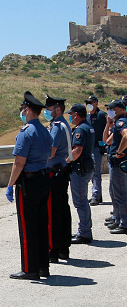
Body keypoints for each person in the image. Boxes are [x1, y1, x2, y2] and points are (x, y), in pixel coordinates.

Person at [5, 92, 52, 280]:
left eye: (23, 109)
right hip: (43, 178)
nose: (22, 112)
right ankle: (42, 266)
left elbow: (19, 163)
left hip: (29, 183)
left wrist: (10, 184)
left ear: (28, 110)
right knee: (41, 225)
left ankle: (29, 268)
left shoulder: (26, 132)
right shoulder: (44, 131)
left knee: (27, 227)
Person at [43, 94, 72, 263]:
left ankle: (53, 250)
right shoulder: (63, 124)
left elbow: (50, 152)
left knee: (53, 213)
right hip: (62, 170)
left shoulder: (56, 126)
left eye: (49, 109)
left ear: (57, 109)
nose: (47, 111)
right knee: (62, 210)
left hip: (55, 172)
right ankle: (63, 248)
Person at [66, 104, 95, 244]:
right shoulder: (88, 127)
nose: (71, 117)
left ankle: (84, 233)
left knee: (80, 202)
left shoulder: (80, 129)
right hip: (86, 167)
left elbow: (77, 151)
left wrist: (65, 162)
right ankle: (85, 230)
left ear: (76, 114)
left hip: (79, 169)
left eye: (71, 114)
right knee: (82, 200)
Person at [102, 99, 127, 234]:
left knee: (121, 194)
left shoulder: (122, 122)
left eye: (113, 108)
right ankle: (118, 218)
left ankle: (124, 223)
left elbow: (126, 137)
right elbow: (106, 141)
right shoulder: (117, 123)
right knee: (116, 192)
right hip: (114, 163)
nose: (110, 111)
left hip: (119, 162)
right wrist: (108, 125)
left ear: (122, 110)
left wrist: (119, 151)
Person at [85, 95, 107, 206]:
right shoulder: (88, 116)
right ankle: (97, 195)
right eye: (87, 102)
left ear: (96, 103)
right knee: (92, 173)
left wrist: (103, 145)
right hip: (90, 148)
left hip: (97, 148)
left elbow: (108, 130)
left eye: (91, 102)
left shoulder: (101, 115)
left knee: (96, 173)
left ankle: (96, 196)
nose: (89, 104)